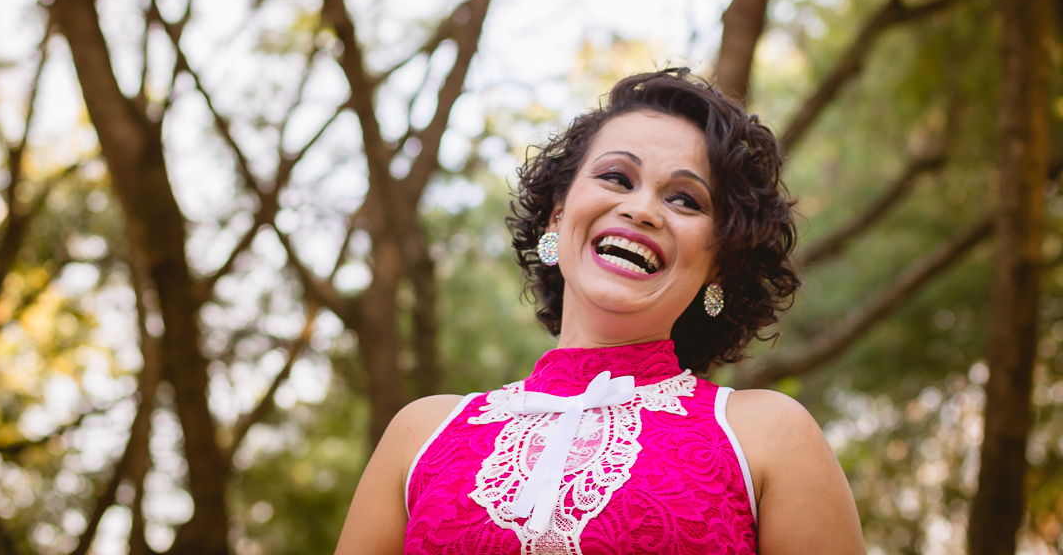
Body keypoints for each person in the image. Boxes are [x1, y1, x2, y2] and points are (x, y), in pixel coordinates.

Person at [335, 68, 866, 555]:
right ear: (557, 215)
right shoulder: (422, 434)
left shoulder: (769, 436)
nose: (641, 209)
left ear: (720, 264)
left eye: (685, 199)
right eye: (616, 177)